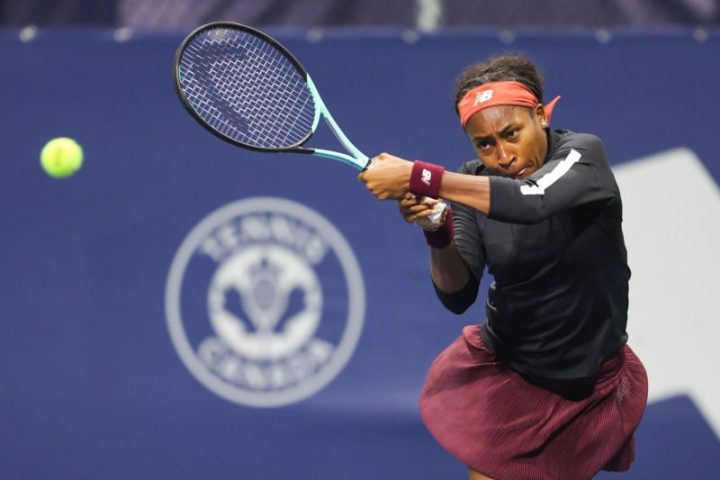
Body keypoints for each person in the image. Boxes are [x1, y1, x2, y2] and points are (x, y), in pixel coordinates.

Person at [358, 54, 648, 480]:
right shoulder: (472, 184)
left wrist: (418, 176)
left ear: (539, 116)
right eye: (485, 143)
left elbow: (533, 200)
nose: (504, 155)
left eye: (511, 133)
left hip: (590, 381)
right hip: (512, 373)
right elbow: (457, 294)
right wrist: (437, 227)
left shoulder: (583, 156)